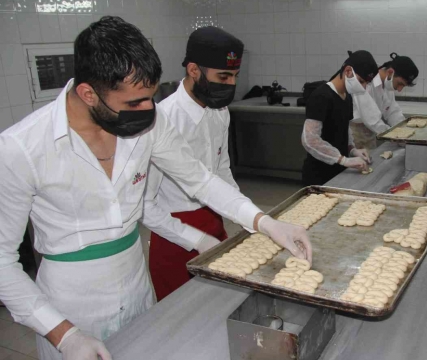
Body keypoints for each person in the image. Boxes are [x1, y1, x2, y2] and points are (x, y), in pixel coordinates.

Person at [0, 16, 311, 360]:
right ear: (88, 94)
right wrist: (64, 333)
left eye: (151, 97)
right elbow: (2, 261)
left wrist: (265, 223)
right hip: (71, 301)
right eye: (134, 103)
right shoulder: (21, 148)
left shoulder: (150, 122)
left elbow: (201, 179)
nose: (148, 111)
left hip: (135, 283)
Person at [142, 26, 243, 301]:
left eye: (234, 76)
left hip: (214, 221)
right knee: (182, 318)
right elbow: (144, 205)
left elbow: (222, 171)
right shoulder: (163, 121)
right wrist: (196, 240)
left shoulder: (219, 112)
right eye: (223, 76)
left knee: (221, 307)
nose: (230, 84)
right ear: (194, 70)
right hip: (174, 235)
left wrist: (246, 216)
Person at [301, 50, 378, 186]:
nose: (363, 87)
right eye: (361, 81)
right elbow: (310, 140)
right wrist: (343, 160)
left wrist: (352, 150)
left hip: (339, 172)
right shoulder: (322, 96)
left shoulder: (347, 97)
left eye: (366, 83)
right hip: (319, 175)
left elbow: (344, 129)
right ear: (348, 71)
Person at [350, 52, 419, 149]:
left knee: (370, 160)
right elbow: (371, 119)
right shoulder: (367, 81)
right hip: (355, 132)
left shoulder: (387, 86)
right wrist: (395, 135)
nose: (399, 89)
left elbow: (392, 112)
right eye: (400, 84)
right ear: (390, 72)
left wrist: (404, 130)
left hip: (370, 130)